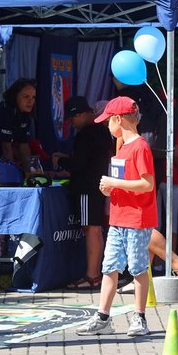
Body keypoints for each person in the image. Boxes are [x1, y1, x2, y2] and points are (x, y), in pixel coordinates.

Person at [77, 97, 157, 337]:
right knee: (109, 267)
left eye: (108, 121)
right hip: (119, 218)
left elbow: (147, 184)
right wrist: (110, 188)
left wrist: (115, 183)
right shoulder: (122, 147)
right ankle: (103, 316)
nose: (106, 127)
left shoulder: (140, 147)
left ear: (118, 120)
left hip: (136, 219)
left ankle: (139, 317)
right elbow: (127, 182)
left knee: (138, 267)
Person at [53, 96, 113, 290]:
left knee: (91, 228)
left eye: (72, 120)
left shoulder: (85, 135)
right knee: (95, 228)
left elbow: (79, 165)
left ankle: (92, 275)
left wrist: (60, 161)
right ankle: (96, 273)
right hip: (98, 185)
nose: (72, 125)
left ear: (80, 114)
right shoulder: (103, 132)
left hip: (87, 188)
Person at [0, 77, 38, 172]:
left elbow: (24, 147)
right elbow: (6, 149)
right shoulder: (5, 111)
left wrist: (30, 174)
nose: (30, 101)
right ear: (15, 96)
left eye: (33, 97)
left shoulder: (25, 114)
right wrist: (13, 174)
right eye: (26, 97)